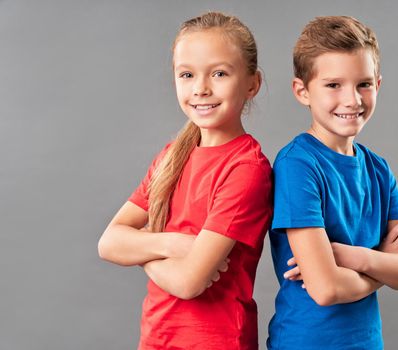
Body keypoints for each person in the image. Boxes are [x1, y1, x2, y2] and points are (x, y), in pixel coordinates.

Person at [97, 12, 272, 350]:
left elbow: (190, 281)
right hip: (156, 337)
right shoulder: (172, 155)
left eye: (219, 73)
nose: (201, 88)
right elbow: (108, 243)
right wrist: (172, 245)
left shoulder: (247, 169)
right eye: (187, 75)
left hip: (215, 342)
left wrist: (143, 246)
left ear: (252, 84)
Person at [267, 16, 398, 350]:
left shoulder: (378, 169)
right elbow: (326, 289)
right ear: (302, 91)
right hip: (305, 343)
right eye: (333, 85)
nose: (352, 99)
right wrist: (385, 262)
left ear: (378, 85)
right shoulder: (297, 165)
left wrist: (346, 256)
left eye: (363, 84)